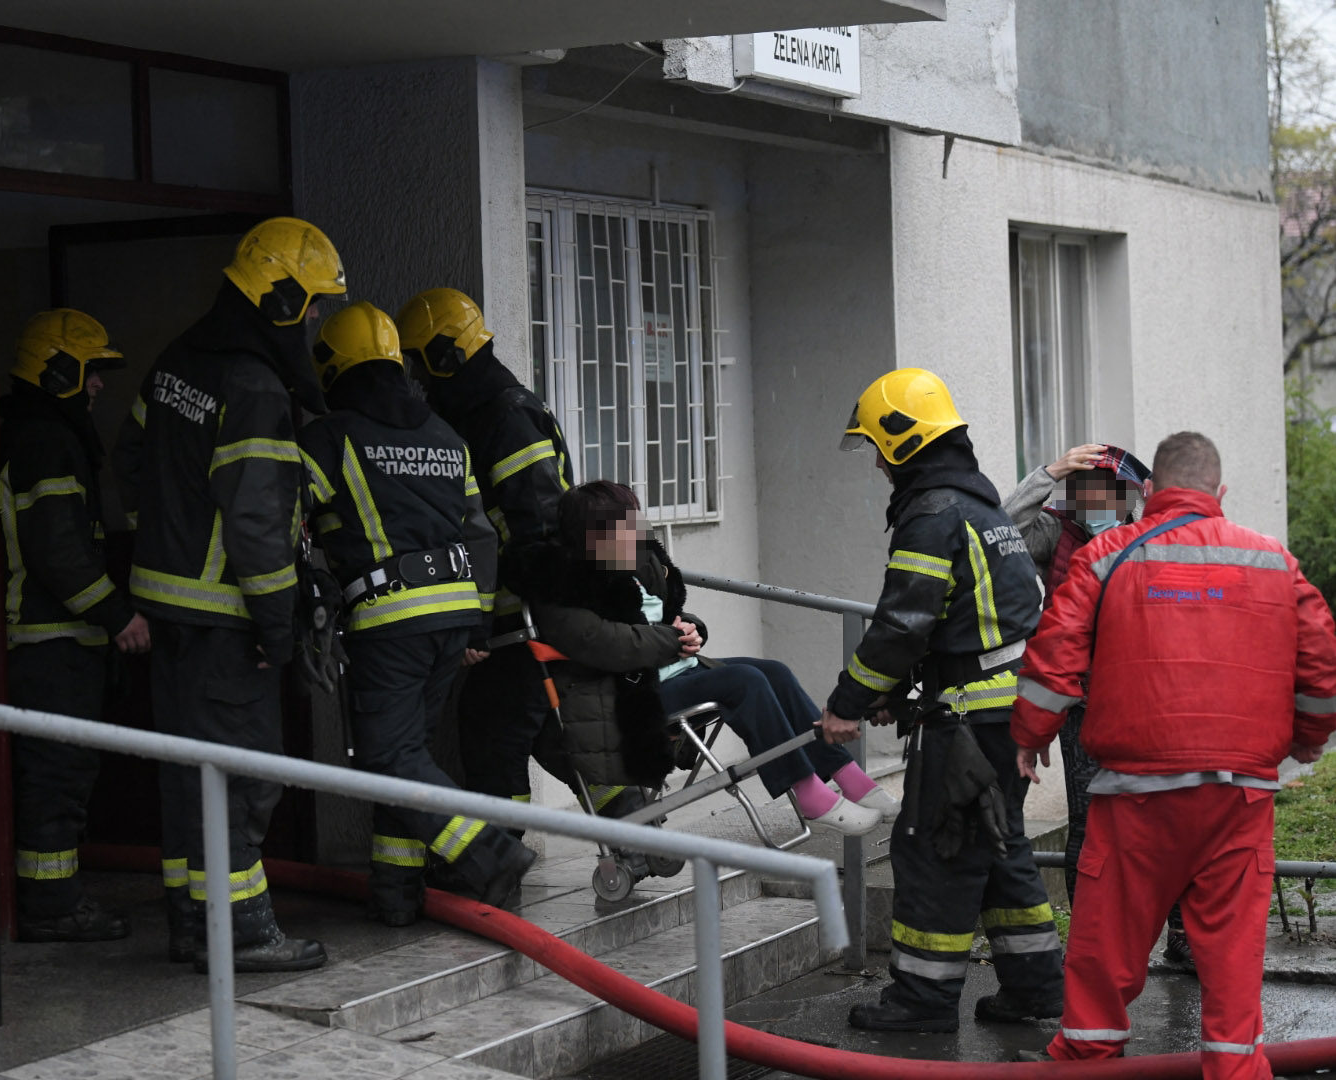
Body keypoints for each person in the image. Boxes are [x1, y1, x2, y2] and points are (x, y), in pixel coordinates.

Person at [1011, 431, 1336, 1078]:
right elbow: (1321, 669)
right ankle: (1236, 1070)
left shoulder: (1106, 554)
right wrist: (1304, 741)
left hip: (1134, 795)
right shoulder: (1273, 559)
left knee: (1104, 959)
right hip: (1239, 797)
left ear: (1152, 493)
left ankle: (1086, 1061)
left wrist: (1030, 737)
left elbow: (1055, 655)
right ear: (1219, 494)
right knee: (1232, 967)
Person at [120, 217, 345, 973]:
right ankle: (244, 933)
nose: (316, 322)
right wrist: (279, 630)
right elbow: (256, 525)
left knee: (190, 773)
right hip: (226, 619)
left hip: (167, 609)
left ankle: (194, 923)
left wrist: (157, 541)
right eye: (312, 305)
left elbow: (129, 460)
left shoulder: (179, 361)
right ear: (280, 299)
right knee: (245, 778)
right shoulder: (252, 387)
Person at [818, 368, 1062, 1033]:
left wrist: (848, 702)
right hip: (1011, 712)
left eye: (877, 444)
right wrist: (898, 692)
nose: (874, 460)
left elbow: (903, 623)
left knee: (934, 848)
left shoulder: (932, 513)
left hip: (971, 721)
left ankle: (922, 1003)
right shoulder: (981, 509)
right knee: (999, 845)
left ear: (903, 439)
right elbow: (963, 619)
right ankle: (1037, 991)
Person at [297, 301, 535, 925]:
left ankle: (490, 852)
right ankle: (397, 894)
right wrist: (478, 621)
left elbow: (285, 516)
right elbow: (482, 535)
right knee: (408, 750)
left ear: (334, 367)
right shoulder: (445, 437)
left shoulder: (328, 436)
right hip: (454, 618)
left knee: (388, 757)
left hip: (389, 621)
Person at [505, 481, 900, 836]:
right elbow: (603, 642)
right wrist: (673, 640)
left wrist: (691, 630)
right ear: (592, 538)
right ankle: (807, 791)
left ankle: (848, 775)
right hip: (629, 695)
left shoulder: (634, 569)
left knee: (773, 672)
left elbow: (664, 620)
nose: (636, 536)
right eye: (623, 530)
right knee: (744, 682)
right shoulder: (563, 586)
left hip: (675, 671)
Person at [397, 291, 646, 830]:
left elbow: (536, 520)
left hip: (523, 613)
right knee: (546, 729)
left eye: (420, 362)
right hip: (526, 610)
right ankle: (634, 824)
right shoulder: (492, 407)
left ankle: (500, 852)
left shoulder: (501, 416)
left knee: (492, 729)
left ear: (445, 358)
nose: (417, 378)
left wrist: (495, 614)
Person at [1001, 442, 1198, 967]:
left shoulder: (1151, 537)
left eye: (1112, 492)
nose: (1099, 501)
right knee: (1089, 824)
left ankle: (1181, 932)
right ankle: (1089, 944)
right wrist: (1049, 472)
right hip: (1085, 705)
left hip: (1151, 704)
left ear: (1131, 497)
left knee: (1164, 816)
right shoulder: (1052, 533)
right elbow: (998, 526)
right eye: (1088, 489)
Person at [0, 309, 149, 942]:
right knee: (56, 777)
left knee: (64, 774)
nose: (98, 386)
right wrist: (117, 616)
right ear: (57, 370)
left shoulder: (43, 434)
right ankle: (52, 907)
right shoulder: (45, 440)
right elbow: (58, 551)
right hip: (49, 642)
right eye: (90, 372)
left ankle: (54, 898)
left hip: (59, 640)